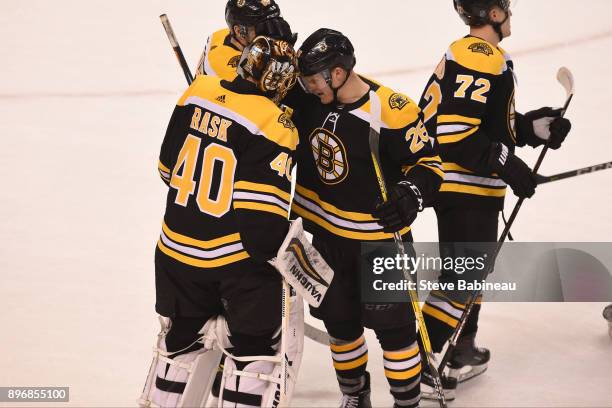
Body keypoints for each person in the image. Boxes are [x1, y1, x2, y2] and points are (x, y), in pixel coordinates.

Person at [417, 0, 572, 400]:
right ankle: (420, 367)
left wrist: (535, 127)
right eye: (505, 6)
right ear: (495, 15)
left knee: (470, 272)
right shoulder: (479, 55)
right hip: (461, 184)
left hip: (464, 184)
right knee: (462, 276)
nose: (510, 12)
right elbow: (456, 134)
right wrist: (512, 167)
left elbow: (489, 127)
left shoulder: (478, 56)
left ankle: (461, 350)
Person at [286, 28, 445, 408]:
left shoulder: (392, 110)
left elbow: (429, 165)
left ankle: (406, 403)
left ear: (337, 74)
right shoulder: (307, 100)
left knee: (397, 335)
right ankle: (355, 395)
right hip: (323, 239)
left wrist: (410, 196)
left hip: (380, 245)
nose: (307, 87)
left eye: (313, 80)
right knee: (340, 328)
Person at [140, 36, 301, 407]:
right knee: (254, 351)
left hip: (173, 255)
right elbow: (262, 230)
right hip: (231, 266)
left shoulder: (198, 90)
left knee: (178, 343)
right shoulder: (274, 123)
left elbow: (167, 168)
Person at [195, 0, 296, 80]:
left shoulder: (221, 34)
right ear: (239, 31)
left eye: (274, 22)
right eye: (261, 28)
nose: (271, 32)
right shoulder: (231, 70)